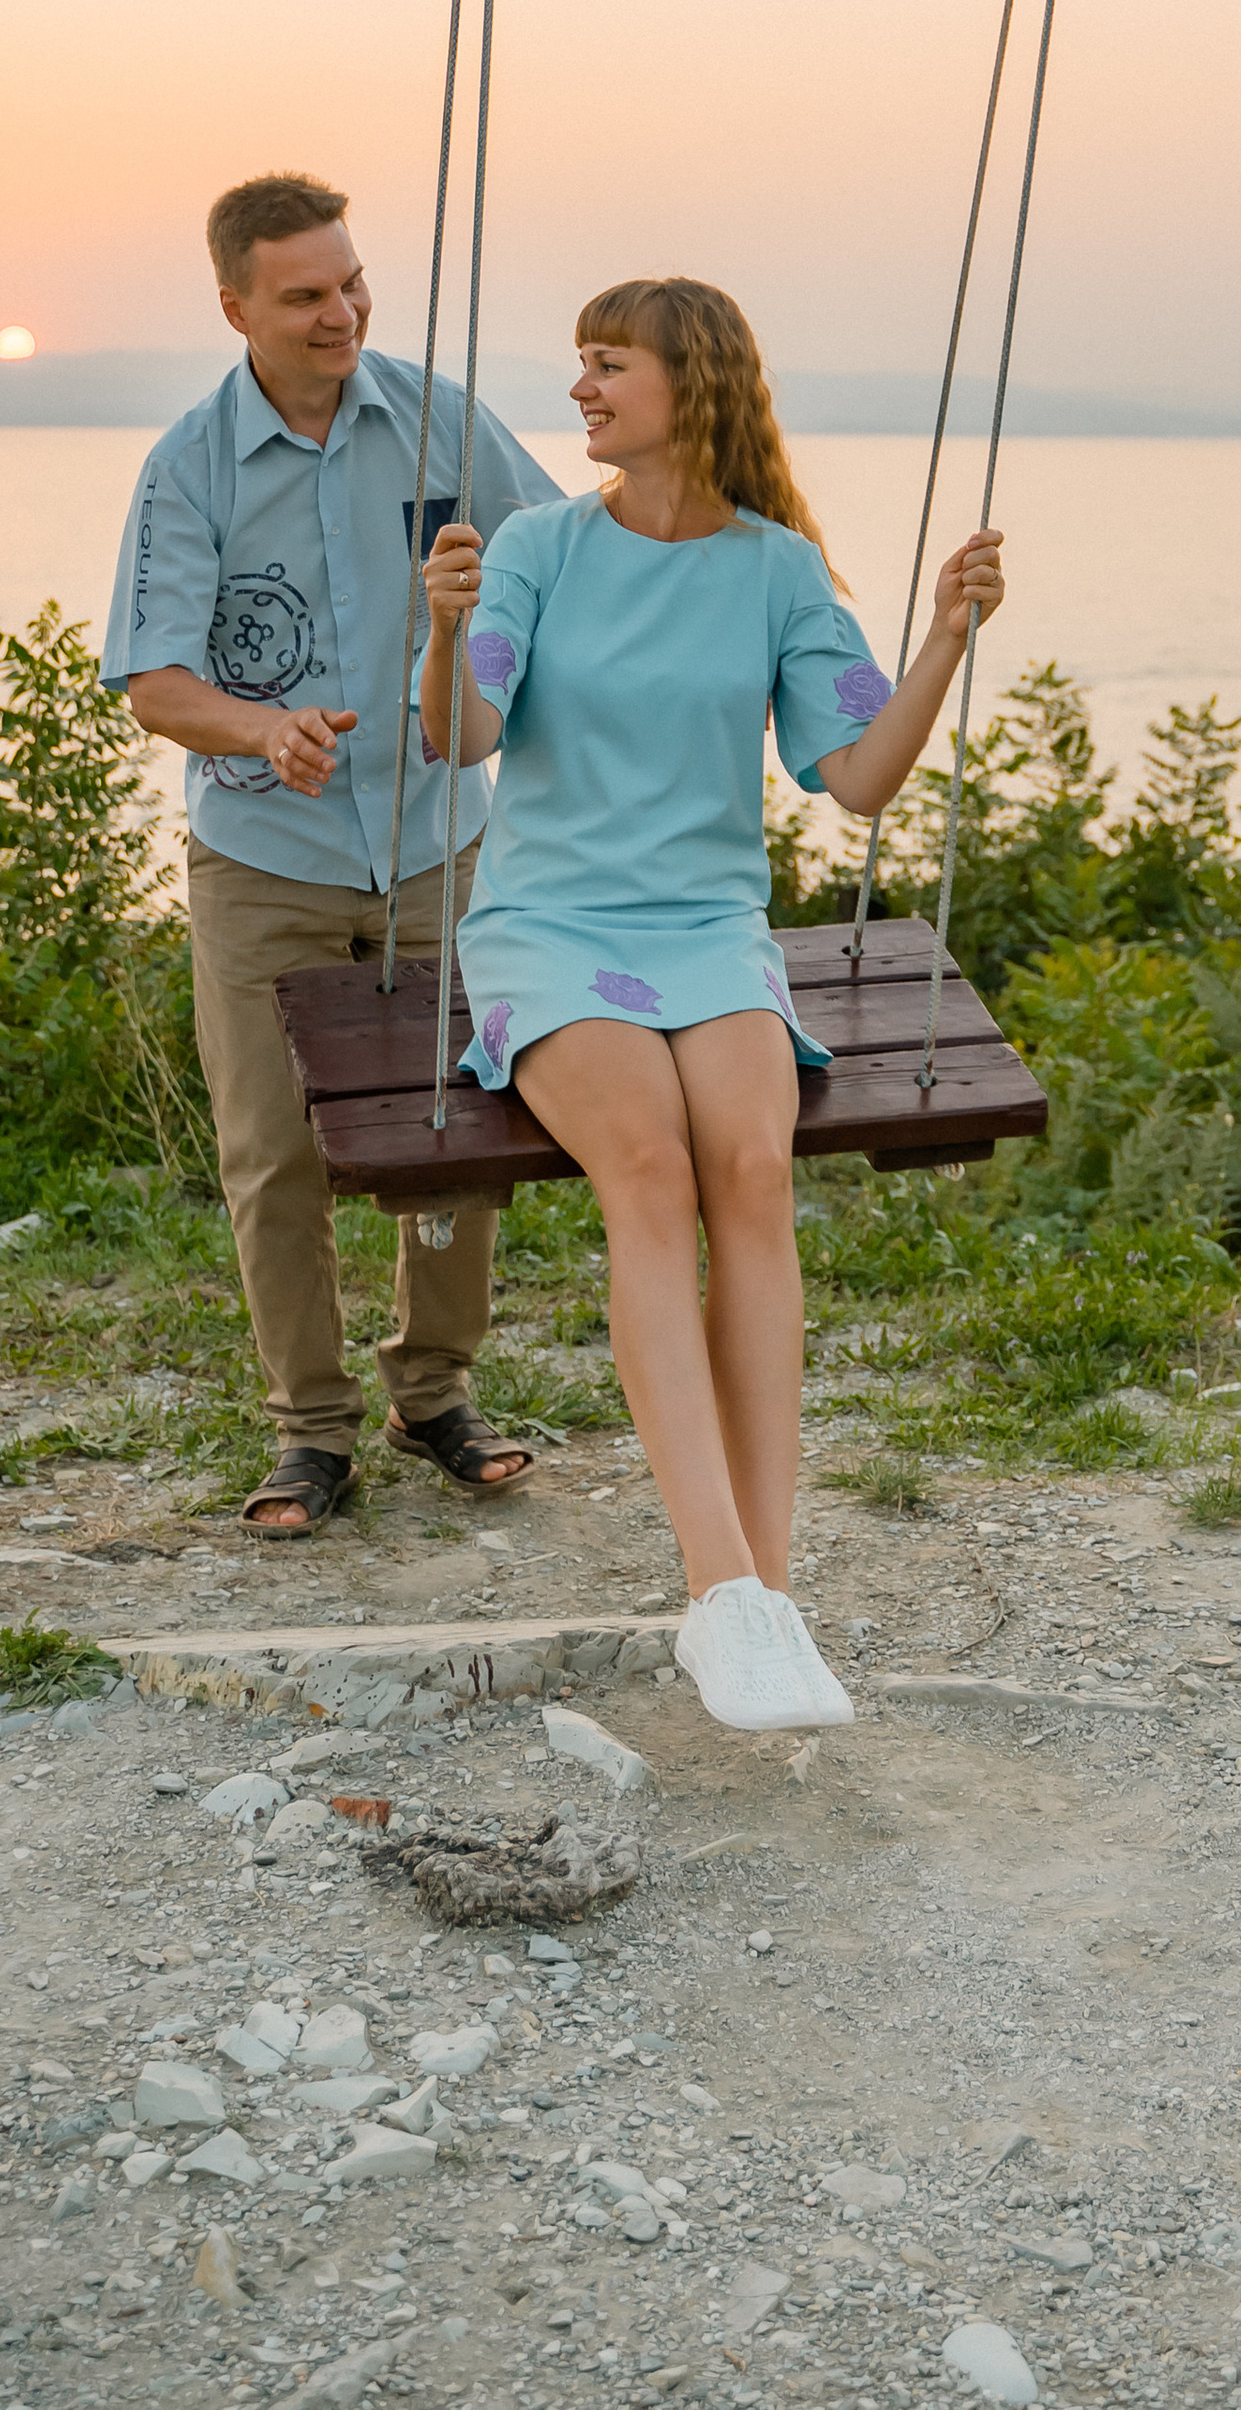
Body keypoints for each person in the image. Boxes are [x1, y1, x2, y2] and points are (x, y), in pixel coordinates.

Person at [416, 275, 1004, 1732]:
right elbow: (463, 736)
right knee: (651, 1167)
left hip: (705, 932)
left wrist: (945, 635)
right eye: (582, 363)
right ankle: (720, 1588)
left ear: (691, 381)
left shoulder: (779, 570)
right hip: (551, 929)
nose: (582, 389)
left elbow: (859, 778)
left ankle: (768, 1597)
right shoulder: (538, 549)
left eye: (607, 364)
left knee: (752, 1171)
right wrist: (443, 627)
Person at [103, 172, 557, 1535]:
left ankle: (435, 1392)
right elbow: (153, 682)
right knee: (272, 1155)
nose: (342, 312)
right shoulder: (188, 466)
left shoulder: (441, 421)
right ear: (234, 305)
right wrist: (264, 729)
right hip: (263, 861)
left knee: (460, 1130)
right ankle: (310, 1431)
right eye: (305, 294)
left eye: (351, 281)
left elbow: (562, 560)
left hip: (439, 849)